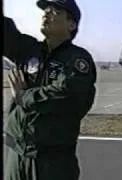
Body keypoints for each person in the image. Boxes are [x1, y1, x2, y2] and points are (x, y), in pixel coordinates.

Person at [3, 0, 96, 180]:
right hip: (17, 153)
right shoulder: (29, 49)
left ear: (72, 24)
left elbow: (66, 95)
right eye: (46, 9)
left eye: (56, 11)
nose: (47, 13)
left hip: (52, 160)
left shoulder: (77, 58)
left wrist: (24, 96)